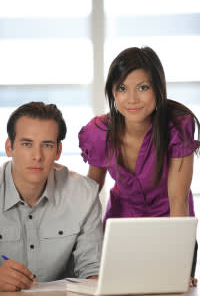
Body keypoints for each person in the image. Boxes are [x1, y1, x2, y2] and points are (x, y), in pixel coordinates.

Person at [78, 46, 200, 286]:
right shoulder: (98, 132)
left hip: (171, 227)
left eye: (142, 87)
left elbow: (178, 199)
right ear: (113, 92)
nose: (131, 99)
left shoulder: (177, 125)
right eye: (122, 88)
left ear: (158, 89)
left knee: (172, 289)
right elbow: (90, 192)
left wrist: (178, 263)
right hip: (121, 231)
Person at [0, 102, 103, 292]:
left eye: (46, 145)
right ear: (9, 147)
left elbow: (93, 270)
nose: (37, 156)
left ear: (57, 151)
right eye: (26, 144)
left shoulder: (84, 194)